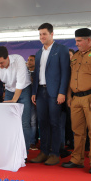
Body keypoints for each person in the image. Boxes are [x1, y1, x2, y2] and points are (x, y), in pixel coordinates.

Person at [62, 28, 91, 174]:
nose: (76, 44)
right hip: (76, 98)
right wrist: (69, 96)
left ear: (88, 40)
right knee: (77, 132)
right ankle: (77, 159)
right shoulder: (75, 56)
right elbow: (71, 77)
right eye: (76, 41)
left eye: (79, 41)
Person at [30, 23, 70, 165]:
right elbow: (36, 73)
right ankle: (44, 152)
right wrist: (34, 91)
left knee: (55, 123)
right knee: (42, 123)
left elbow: (66, 72)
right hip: (40, 92)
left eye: (44, 34)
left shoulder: (61, 49)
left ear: (52, 34)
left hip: (55, 93)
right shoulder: (39, 52)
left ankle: (55, 153)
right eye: (40, 34)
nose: (42, 37)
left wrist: (62, 92)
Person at [0, 46, 32, 153]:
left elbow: (21, 82)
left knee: (24, 122)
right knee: (7, 122)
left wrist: (14, 100)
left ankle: (23, 152)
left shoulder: (18, 60)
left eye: (1, 62)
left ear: (7, 57)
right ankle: (9, 150)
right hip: (9, 91)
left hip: (24, 90)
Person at [27, 55, 38, 150]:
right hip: (26, 99)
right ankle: (30, 141)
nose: (29, 62)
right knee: (30, 121)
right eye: (28, 60)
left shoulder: (38, 72)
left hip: (38, 99)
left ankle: (33, 141)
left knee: (34, 122)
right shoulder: (24, 72)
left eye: (31, 60)